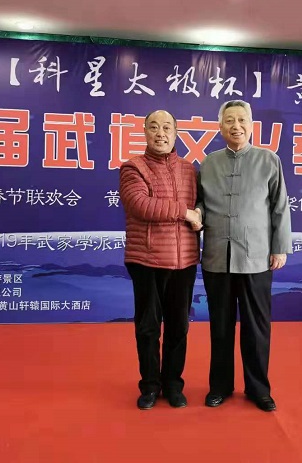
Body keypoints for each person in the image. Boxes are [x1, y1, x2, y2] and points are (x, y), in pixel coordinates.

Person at [195, 99, 292, 412]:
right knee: (220, 327)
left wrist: (280, 247)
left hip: (256, 258)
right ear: (220, 127)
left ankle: (258, 389)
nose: (236, 126)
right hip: (217, 258)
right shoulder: (208, 163)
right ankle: (220, 386)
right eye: (229, 121)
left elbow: (280, 206)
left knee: (256, 327)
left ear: (251, 125)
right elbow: (199, 204)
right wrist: (197, 214)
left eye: (241, 120)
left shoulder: (268, 160)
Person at [120, 110, 202, 410]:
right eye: (153, 127)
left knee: (179, 327)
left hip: (185, 261)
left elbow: (202, 204)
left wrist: (200, 213)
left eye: (167, 127)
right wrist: (185, 212)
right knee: (148, 327)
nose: (160, 133)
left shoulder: (190, 169)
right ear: (144, 132)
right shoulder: (133, 167)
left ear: (176, 132)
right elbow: (140, 204)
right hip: (147, 259)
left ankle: (173, 385)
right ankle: (150, 386)